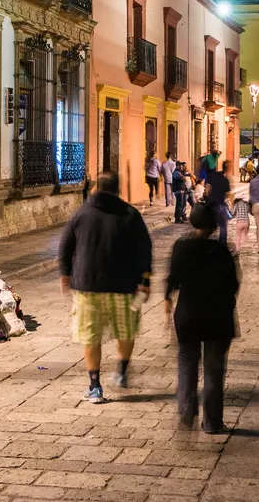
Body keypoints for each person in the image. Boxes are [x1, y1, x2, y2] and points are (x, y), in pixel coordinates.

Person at [58, 171, 153, 401]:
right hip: (125, 286)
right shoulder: (131, 214)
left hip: (88, 286)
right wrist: (145, 280)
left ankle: (94, 387)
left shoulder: (81, 213)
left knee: (91, 336)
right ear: (118, 188)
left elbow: (65, 245)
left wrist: (65, 275)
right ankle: (120, 372)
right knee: (126, 331)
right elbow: (144, 249)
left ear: (96, 188)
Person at [165, 205, 240, 433]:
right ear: (214, 225)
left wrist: (168, 305)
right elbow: (234, 284)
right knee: (213, 370)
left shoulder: (181, 247)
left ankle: (187, 409)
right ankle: (212, 422)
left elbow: (172, 280)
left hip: (188, 315)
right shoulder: (222, 250)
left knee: (187, 363)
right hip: (218, 317)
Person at [204, 159, 233, 246]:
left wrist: (206, 197)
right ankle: (222, 245)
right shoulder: (225, 180)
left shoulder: (213, 175)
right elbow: (228, 195)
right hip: (219, 205)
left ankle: (203, 242)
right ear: (228, 169)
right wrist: (232, 204)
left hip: (210, 205)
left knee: (208, 226)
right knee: (223, 226)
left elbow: (207, 188)